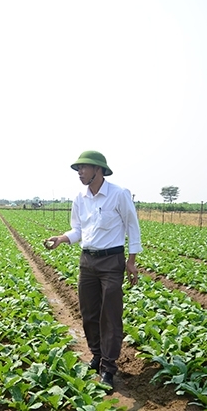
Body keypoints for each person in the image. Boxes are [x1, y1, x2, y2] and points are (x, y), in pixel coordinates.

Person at [44, 150, 141, 392]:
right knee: (89, 313)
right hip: (87, 261)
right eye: (78, 169)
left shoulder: (119, 194)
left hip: (111, 262)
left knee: (110, 315)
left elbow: (133, 227)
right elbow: (78, 230)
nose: (79, 172)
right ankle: (96, 355)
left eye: (84, 168)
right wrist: (62, 238)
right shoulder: (80, 197)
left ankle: (108, 368)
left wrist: (131, 261)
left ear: (98, 170)